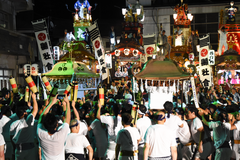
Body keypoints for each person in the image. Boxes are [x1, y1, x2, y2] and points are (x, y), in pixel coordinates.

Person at [37, 94, 71, 160]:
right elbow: (67, 118)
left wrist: (51, 103)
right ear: (57, 125)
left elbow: (41, 117)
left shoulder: (41, 134)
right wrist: (67, 103)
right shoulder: (61, 135)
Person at [9, 93, 38, 160]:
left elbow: (11, 138)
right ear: (24, 113)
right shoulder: (28, 121)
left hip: (19, 149)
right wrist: (34, 98)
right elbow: (35, 110)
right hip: (30, 149)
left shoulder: (13, 124)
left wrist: (14, 149)